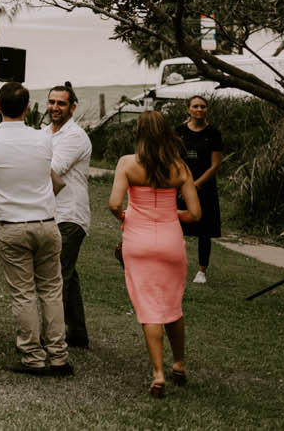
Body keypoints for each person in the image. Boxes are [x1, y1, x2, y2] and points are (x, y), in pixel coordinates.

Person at [0, 81, 72, 376]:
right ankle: (58, 356)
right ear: (28, 108)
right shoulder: (43, 140)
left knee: (24, 294)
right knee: (52, 291)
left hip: (12, 226)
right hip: (46, 223)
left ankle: (32, 356)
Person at [110, 110, 202, 397]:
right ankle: (179, 363)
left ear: (139, 133)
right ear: (166, 134)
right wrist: (171, 213)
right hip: (170, 241)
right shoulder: (180, 168)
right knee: (172, 305)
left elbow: (114, 204)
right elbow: (196, 214)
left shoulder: (127, 164)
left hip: (138, 241)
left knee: (150, 307)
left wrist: (128, 216)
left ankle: (158, 374)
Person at [47, 81, 94, 350]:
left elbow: (53, 168)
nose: (55, 107)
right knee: (69, 273)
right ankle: (77, 333)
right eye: (52, 102)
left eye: (61, 103)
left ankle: (51, 340)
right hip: (53, 213)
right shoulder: (45, 133)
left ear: (72, 107)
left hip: (70, 215)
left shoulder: (74, 136)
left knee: (57, 277)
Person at [178, 96, 226, 284]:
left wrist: (196, 185)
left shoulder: (213, 134)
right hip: (181, 185)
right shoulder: (179, 132)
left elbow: (215, 166)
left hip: (204, 187)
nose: (199, 109)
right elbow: (175, 159)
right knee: (176, 227)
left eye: (203, 106)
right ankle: (175, 264)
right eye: (195, 106)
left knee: (205, 230)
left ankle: (201, 271)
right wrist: (183, 183)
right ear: (188, 109)